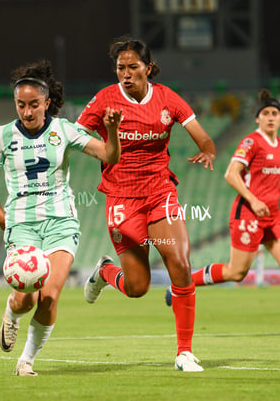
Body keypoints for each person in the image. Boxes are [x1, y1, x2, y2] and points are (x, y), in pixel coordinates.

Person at [76, 35, 216, 372]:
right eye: (120, 68)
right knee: (137, 288)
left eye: (133, 67)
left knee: (179, 262)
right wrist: (104, 146)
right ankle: (106, 271)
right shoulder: (105, 100)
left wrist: (208, 149)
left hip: (160, 193)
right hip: (122, 198)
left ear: (148, 68)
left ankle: (184, 352)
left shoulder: (167, 98)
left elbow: (200, 133)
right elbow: (75, 134)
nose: (125, 73)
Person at [0, 60, 122, 376]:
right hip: (22, 226)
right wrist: (0, 214)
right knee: (25, 301)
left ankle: (26, 361)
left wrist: (111, 129)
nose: (26, 112)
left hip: (61, 223)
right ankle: (12, 314)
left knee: (50, 296)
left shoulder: (64, 129)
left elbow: (109, 156)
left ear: (47, 103)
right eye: (20, 105)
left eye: (33, 105)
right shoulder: (2, 135)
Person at [167, 89, 280, 291]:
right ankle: (183, 284)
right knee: (236, 272)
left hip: (272, 214)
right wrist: (254, 200)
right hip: (249, 213)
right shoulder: (251, 142)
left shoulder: (278, 146)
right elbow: (231, 174)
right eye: (266, 113)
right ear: (257, 119)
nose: (270, 118)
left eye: (275, 113)